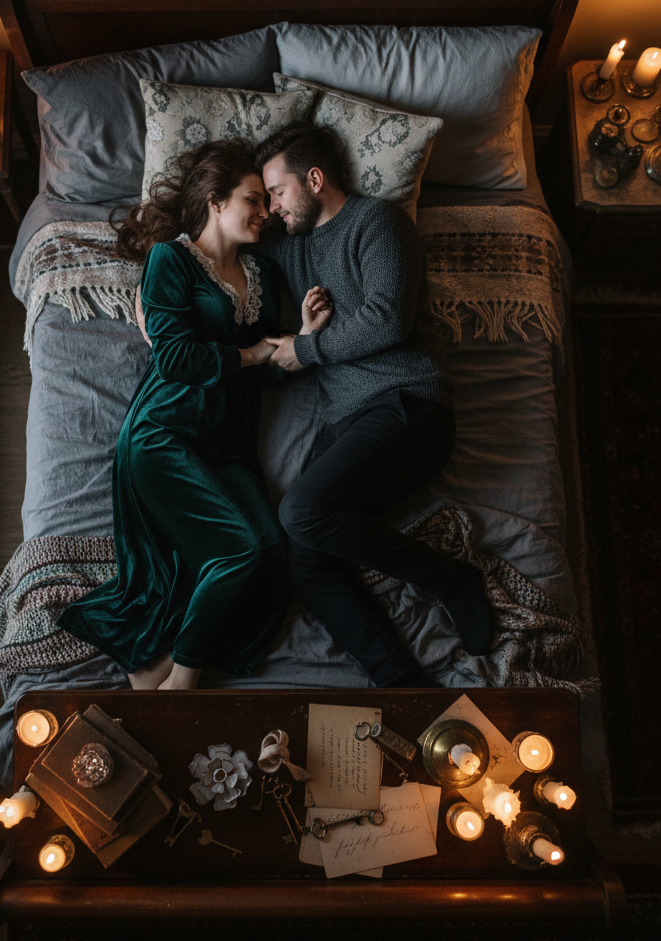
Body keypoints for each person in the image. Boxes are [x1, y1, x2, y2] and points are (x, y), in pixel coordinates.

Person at [57, 138, 332, 690]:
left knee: (272, 551)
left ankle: (163, 666)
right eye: (253, 199)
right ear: (215, 200)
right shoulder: (171, 260)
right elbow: (177, 357)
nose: (265, 212)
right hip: (164, 434)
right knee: (240, 549)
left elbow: (265, 372)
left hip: (226, 441)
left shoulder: (262, 274)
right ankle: (182, 682)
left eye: (265, 200)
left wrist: (298, 343)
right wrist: (252, 351)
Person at [253, 121, 493, 687]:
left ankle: (450, 580)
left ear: (315, 179)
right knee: (300, 549)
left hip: (409, 406)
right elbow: (219, 225)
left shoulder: (378, 221)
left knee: (300, 512)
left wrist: (306, 348)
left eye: (278, 192)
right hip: (352, 424)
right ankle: (401, 683)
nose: (272, 207)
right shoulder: (292, 243)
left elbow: (387, 320)